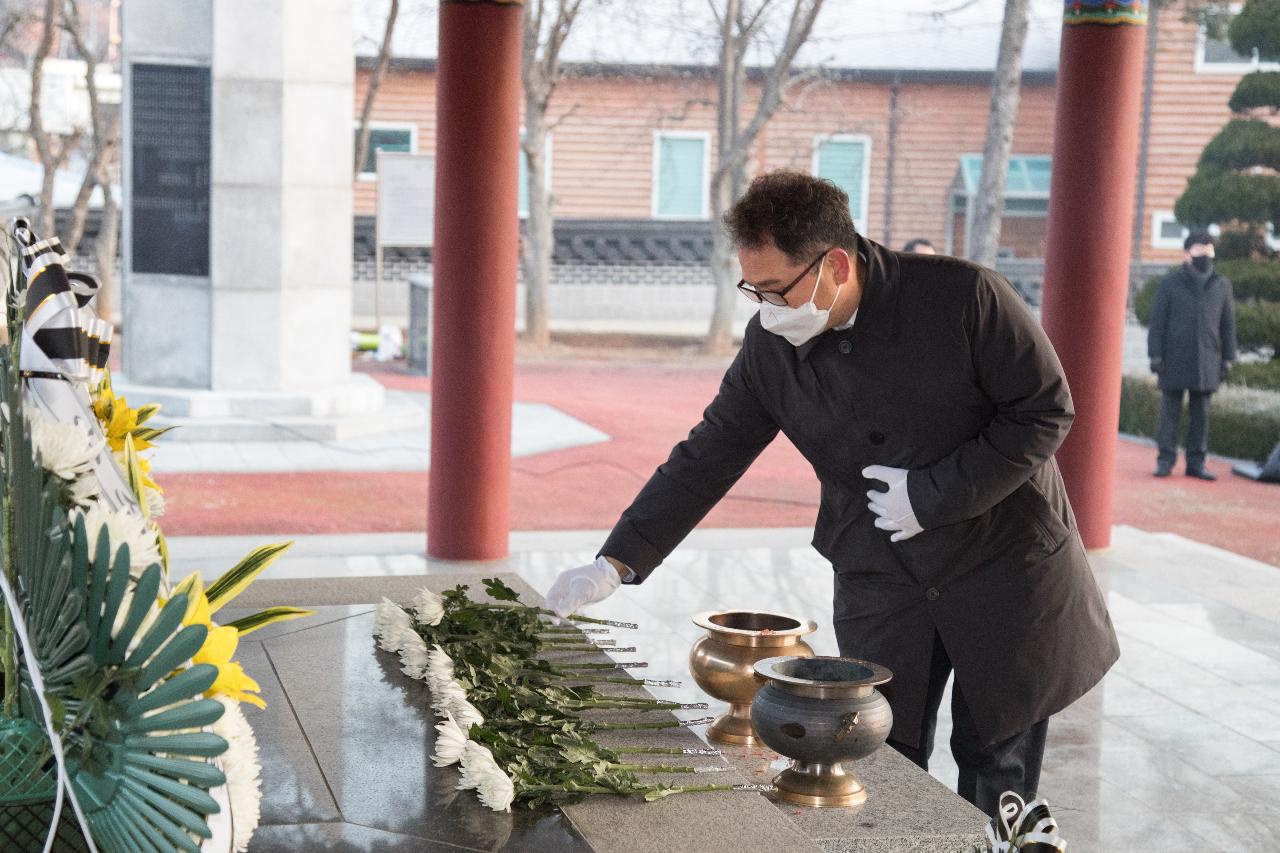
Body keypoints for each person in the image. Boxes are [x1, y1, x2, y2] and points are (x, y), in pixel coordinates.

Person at [545, 171, 1118, 819]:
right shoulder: (773, 344)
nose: (764, 306)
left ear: (835, 265)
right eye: (751, 289)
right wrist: (614, 562)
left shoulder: (964, 297)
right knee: (880, 753)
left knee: (993, 760)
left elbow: (1044, 410)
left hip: (1006, 569)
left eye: (774, 288)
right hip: (881, 572)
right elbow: (709, 453)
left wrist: (930, 496)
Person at [1147, 231, 1238, 480]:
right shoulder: (1170, 283)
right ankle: (1165, 460)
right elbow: (1158, 323)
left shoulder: (1222, 285)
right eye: (1199, 249)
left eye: (1209, 250)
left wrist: (1228, 357)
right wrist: (1155, 354)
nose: (1205, 255)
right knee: (1169, 414)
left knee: (1201, 416)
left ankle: (1196, 463)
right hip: (1173, 357)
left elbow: (1228, 325)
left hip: (1208, 359)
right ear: (1187, 253)